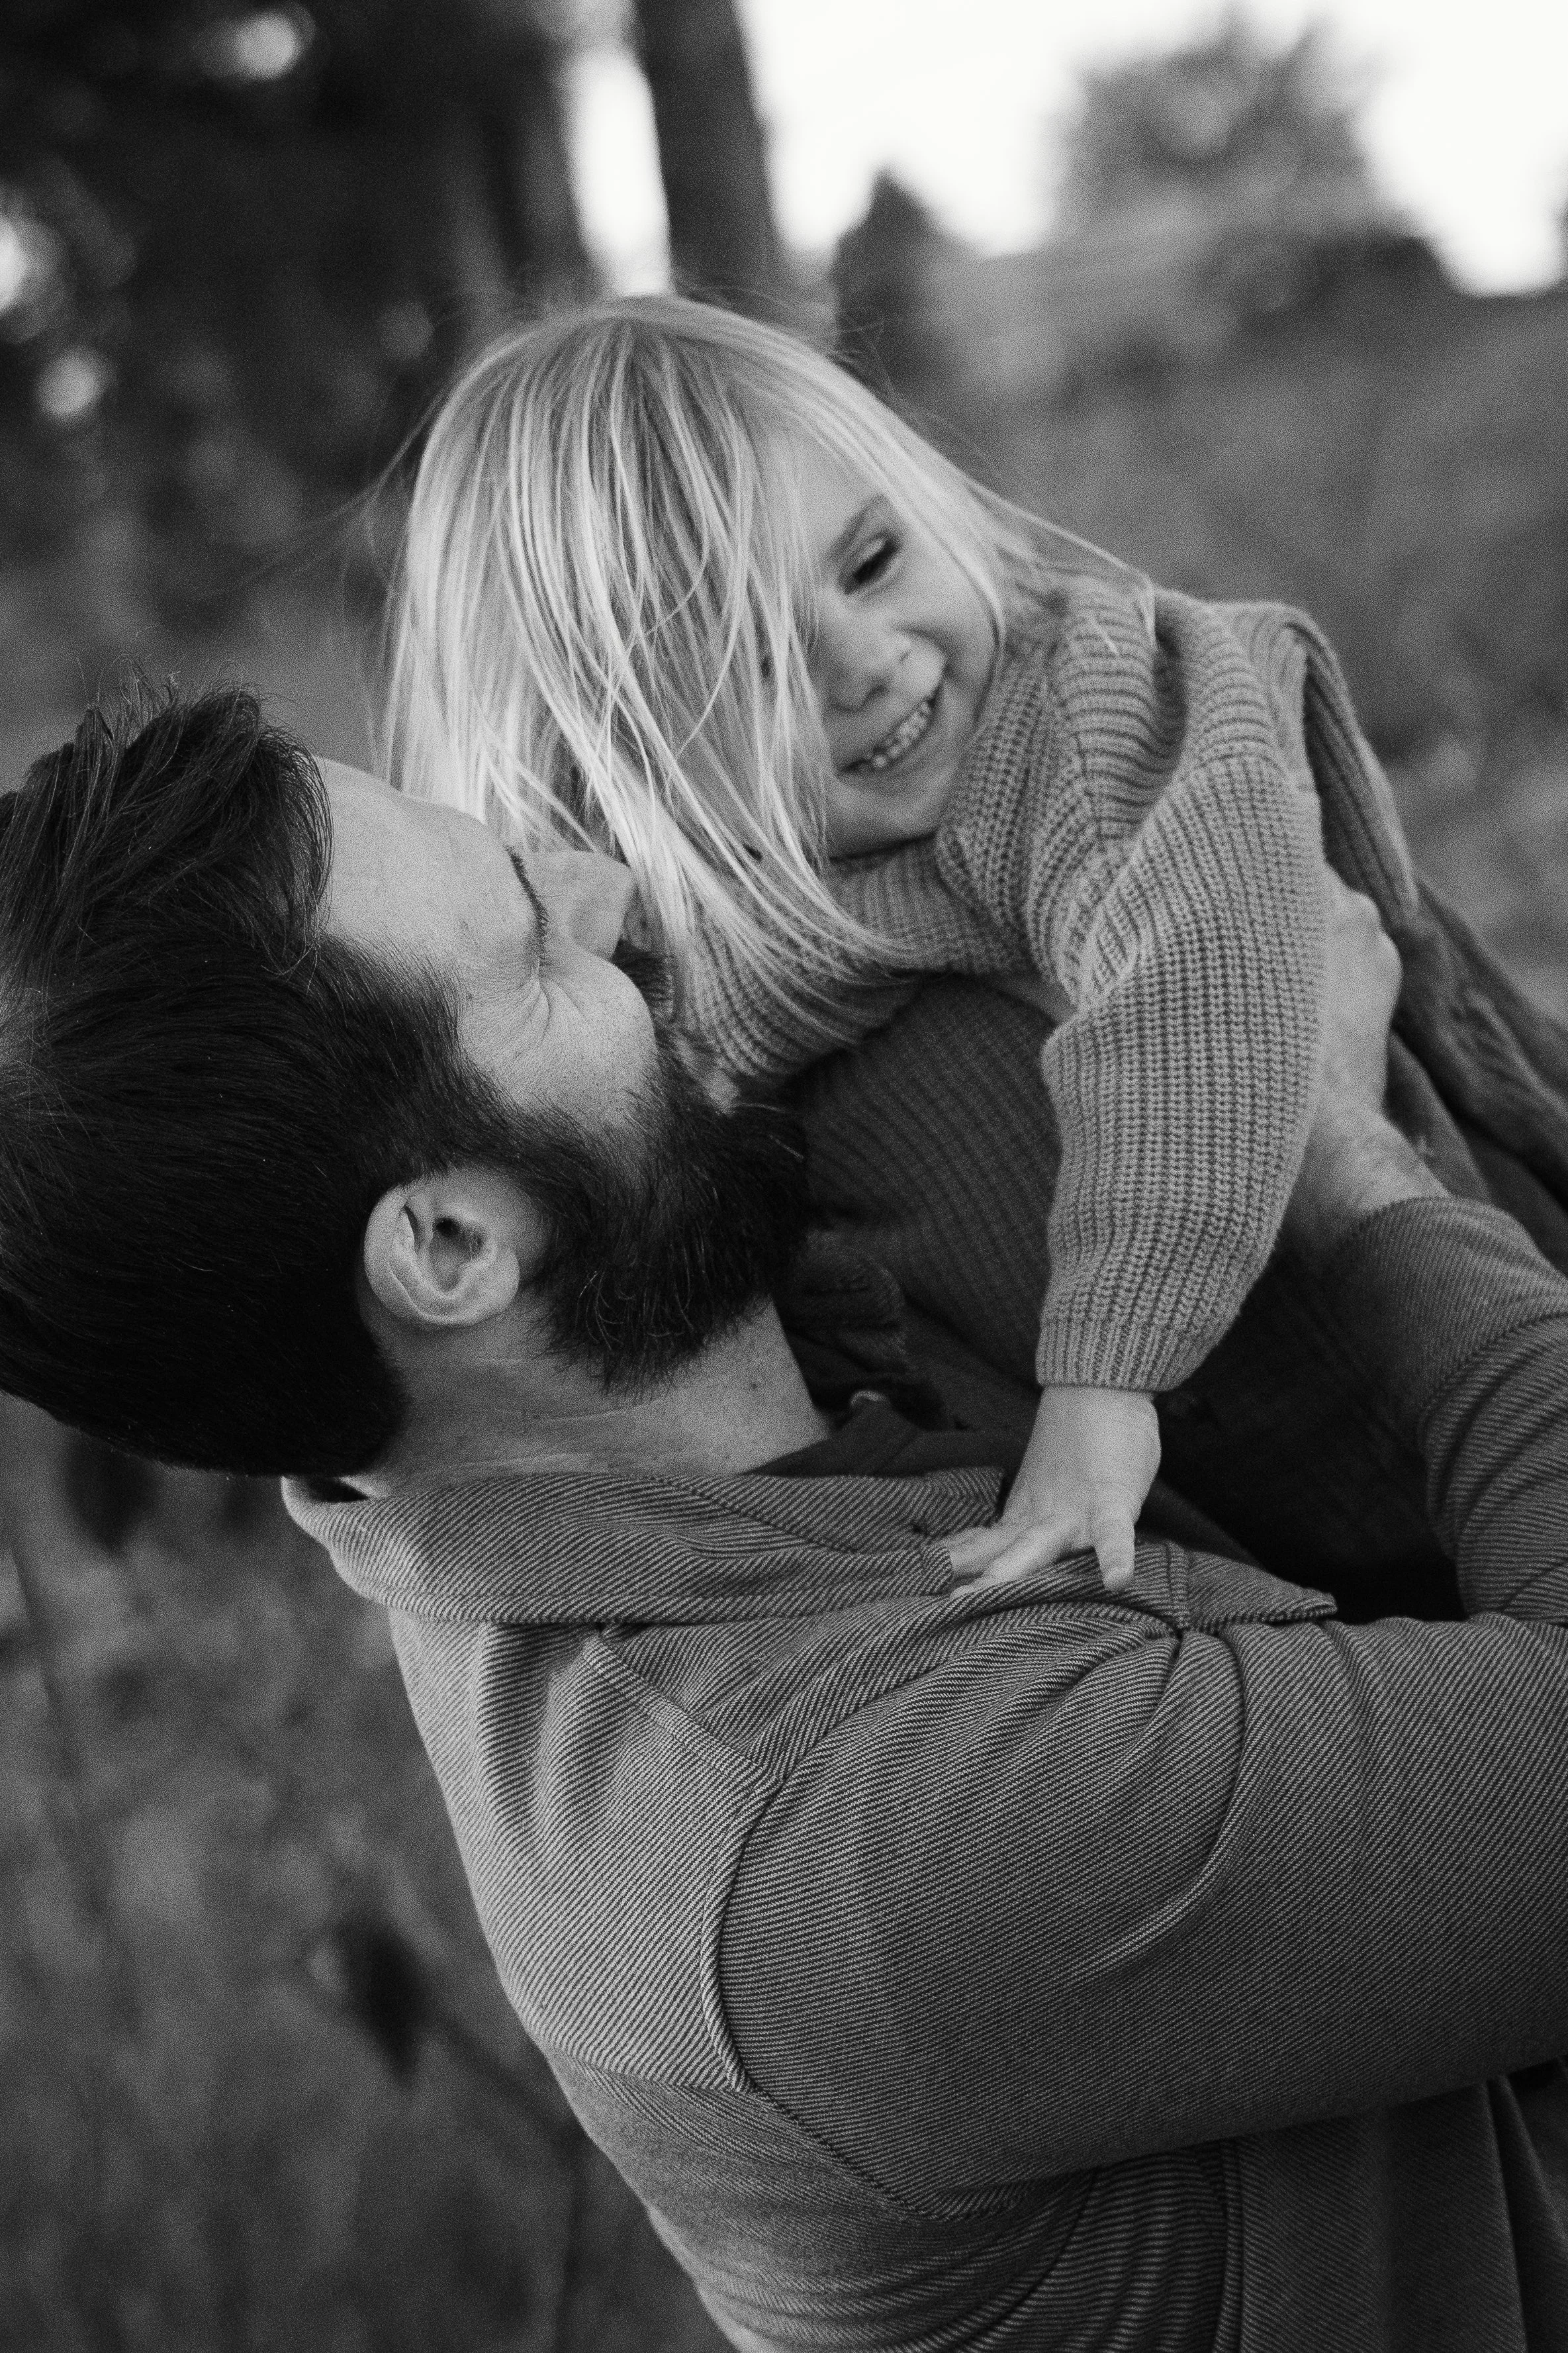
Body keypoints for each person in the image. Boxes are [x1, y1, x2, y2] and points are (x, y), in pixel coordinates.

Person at [3, 686, 1568, 2352]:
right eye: (538, 944)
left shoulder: (702, 1400)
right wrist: (1341, 1152)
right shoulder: (852, 1839)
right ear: (452, 1251)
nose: (612, 888)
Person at [383, 295, 1568, 1602]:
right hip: (1325, 1515)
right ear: (616, 760)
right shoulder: (713, 934)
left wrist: (1102, 1378)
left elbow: (1200, 988)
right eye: (751, 660)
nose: (865, 661)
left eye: (871, 560)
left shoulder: (1087, 708)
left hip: (1481, 1336)